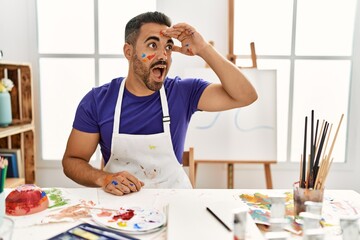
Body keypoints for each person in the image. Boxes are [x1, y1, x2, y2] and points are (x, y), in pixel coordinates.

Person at [62, 11, 258, 196]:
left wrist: (204, 49)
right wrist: (103, 178)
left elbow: (246, 95)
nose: (163, 55)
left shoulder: (183, 92)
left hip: (176, 204)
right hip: (119, 211)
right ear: (128, 52)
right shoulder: (97, 101)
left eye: (168, 47)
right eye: (153, 45)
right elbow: (72, 161)